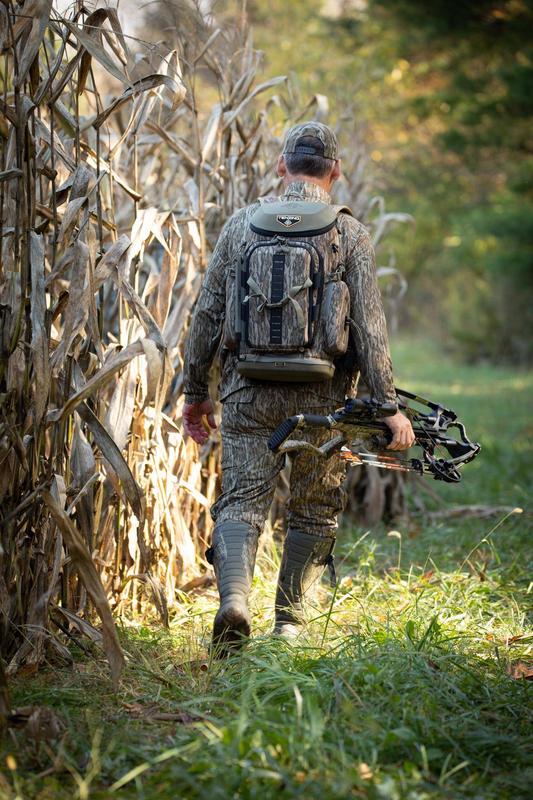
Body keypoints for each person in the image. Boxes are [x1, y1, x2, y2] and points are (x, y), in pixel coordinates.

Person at [182, 122, 415, 651]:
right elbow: (370, 328)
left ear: (281, 166)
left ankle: (234, 602)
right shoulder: (349, 233)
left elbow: (207, 315)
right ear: (335, 172)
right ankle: (287, 624)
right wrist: (388, 408)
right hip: (324, 399)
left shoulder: (241, 226)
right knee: (313, 508)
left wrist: (195, 391)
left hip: (246, 393)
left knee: (241, 501)